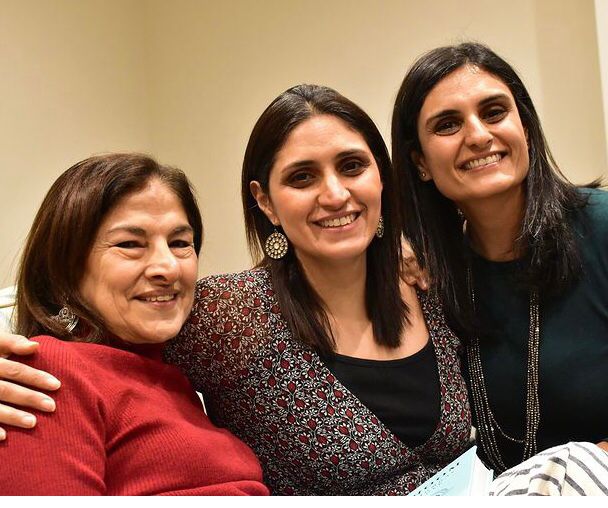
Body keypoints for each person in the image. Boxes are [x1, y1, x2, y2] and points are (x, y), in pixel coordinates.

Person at [0, 85, 471, 495]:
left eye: (352, 166)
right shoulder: (224, 318)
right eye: (301, 176)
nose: (334, 194)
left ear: (382, 180)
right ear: (264, 200)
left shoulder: (432, 285)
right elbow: (93, 343)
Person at [391, 42, 608, 475]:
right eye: (448, 124)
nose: (477, 135)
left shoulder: (601, 227)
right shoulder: (426, 273)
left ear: (524, 128)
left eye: (494, 112)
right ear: (420, 163)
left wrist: (572, 481)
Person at [0, 153, 268, 495]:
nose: (167, 267)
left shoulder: (176, 375)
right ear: (65, 267)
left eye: (179, 243)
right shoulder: (50, 370)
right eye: (130, 244)